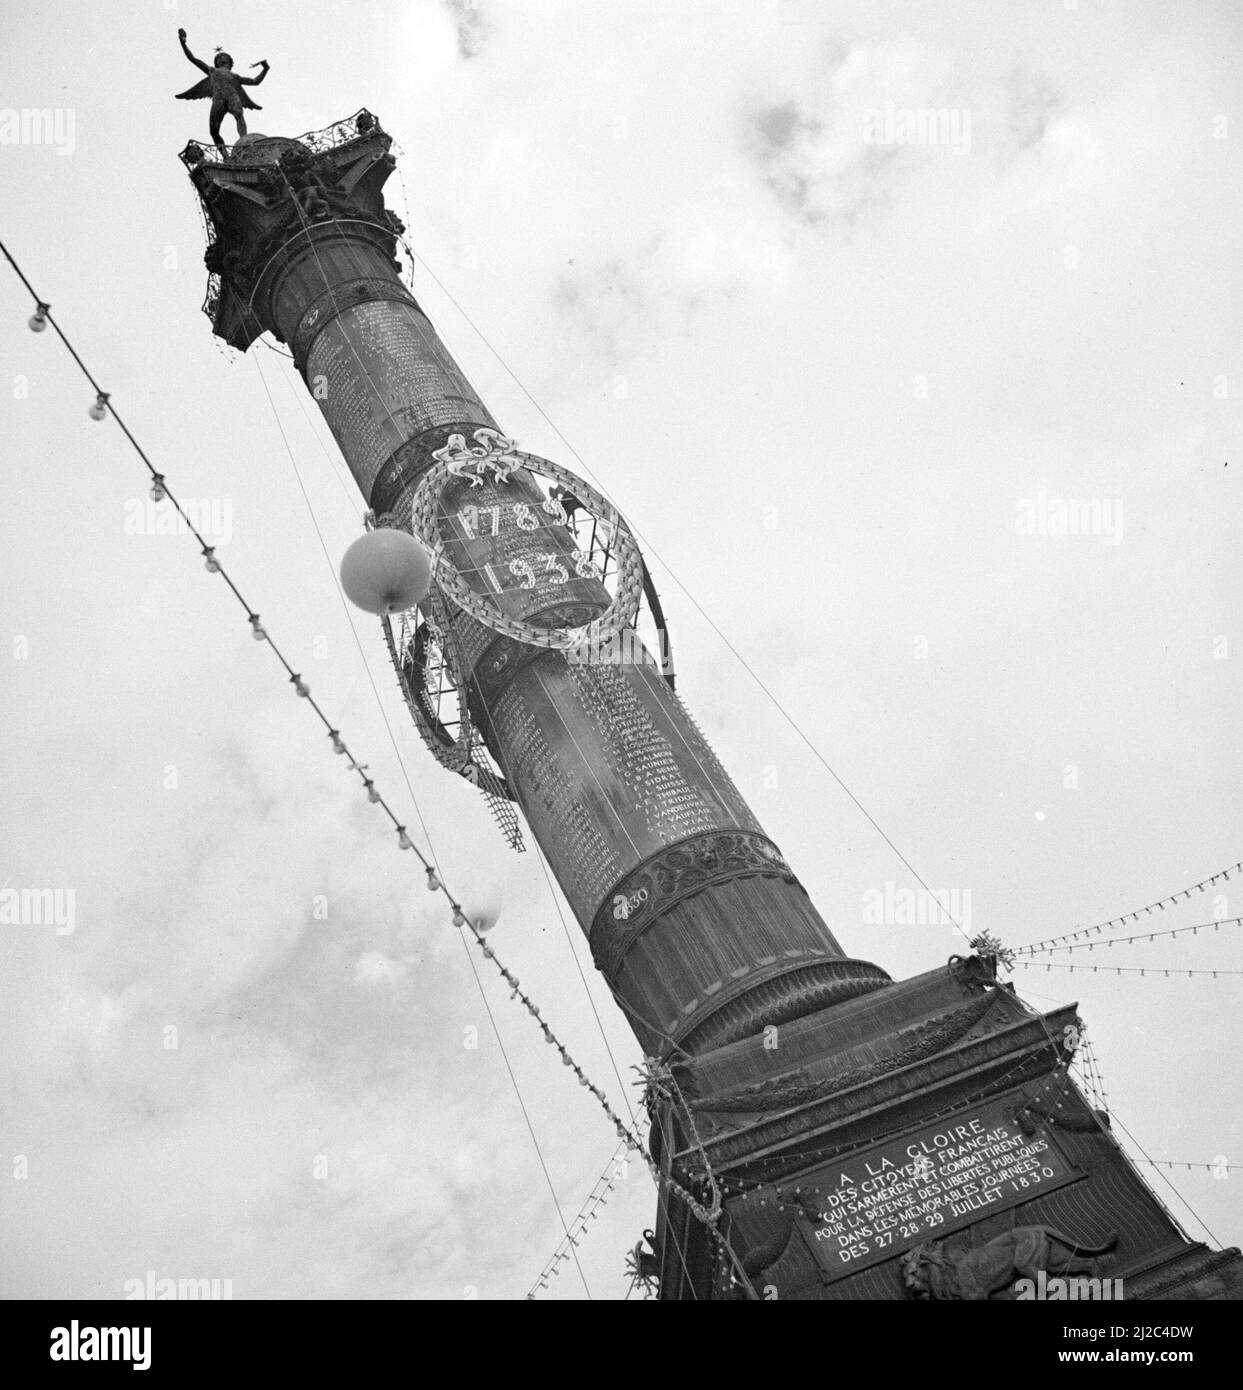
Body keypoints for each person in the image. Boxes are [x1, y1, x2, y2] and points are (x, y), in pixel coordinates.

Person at [174, 28, 270, 152]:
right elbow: (193, 58)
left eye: (223, 56)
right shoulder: (212, 71)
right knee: (213, 131)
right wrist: (183, 43)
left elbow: (255, 81)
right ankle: (225, 156)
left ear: (230, 62)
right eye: (218, 57)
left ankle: (244, 142)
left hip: (232, 96)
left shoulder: (234, 76)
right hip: (218, 99)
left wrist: (265, 69)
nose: (220, 58)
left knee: (239, 116)